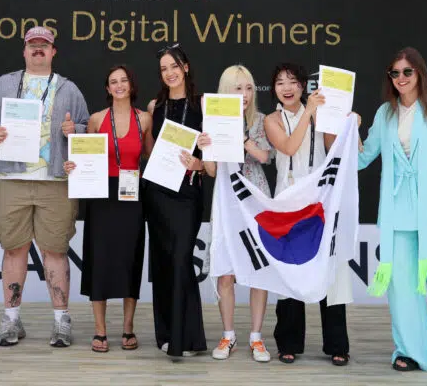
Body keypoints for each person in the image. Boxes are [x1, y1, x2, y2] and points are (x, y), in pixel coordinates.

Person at [359, 47, 427, 373]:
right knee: (401, 286)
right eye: (395, 73)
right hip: (398, 211)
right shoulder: (385, 113)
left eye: (407, 71)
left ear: (419, 73)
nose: (401, 78)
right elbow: (364, 157)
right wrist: (341, 132)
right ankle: (409, 351)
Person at [0, 26, 89, 348]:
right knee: (14, 249)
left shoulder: (69, 88)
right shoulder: (3, 84)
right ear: (24, 50)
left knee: (55, 250)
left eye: (44, 45)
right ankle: (11, 320)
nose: (38, 49)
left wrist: (75, 130)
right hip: (10, 179)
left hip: (55, 180)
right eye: (33, 44)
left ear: (53, 51)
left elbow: (86, 129)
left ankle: (61, 322)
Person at [263, 63, 350, 366]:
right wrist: (309, 112)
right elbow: (288, 147)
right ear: (274, 89)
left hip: (320, 201)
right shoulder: (272, 120)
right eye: (280, 83)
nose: (287, 88)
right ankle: (288, 342)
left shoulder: (320, 113)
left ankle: (337, 344)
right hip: (286, 204)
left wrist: (345, 121)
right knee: (290, 272)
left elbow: (333, 146)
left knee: (329, 270)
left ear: (303, 86)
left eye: (292, 82)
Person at [63, 65, 153, 353]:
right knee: (99, 260)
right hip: (101, 196)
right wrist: (73, 165)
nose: (119, 85)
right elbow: (85, 157)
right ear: (107, 88)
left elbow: (151, 155)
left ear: (131, 85)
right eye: (113, 81)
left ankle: (128, 328)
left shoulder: (145, 118)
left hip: (132, 195)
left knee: (130, 260)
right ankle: (100, 330)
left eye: (124, 80)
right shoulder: (96, 119)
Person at [198, 65, 274, 362]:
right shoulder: (212, 120)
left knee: (259, 271)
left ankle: (256, 337)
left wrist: (240, 136)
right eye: (237, 88)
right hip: (226, 200)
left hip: (255, 201)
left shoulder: (260, 121)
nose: (244, 94)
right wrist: (205, 147)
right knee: (225, 271)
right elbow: (211, 170)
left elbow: (264, 156)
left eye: (249, 88)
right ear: (225, 91)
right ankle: (228, 335)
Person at [143, 43, 207, 358]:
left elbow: (214, 153)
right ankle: (167, 335)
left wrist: (199, 163)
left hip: (188, 193)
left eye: (174, 66)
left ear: (186, 67)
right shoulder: (155, 106)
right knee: (163, 263)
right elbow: (149, 150)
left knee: (182, 260)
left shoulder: (203, 104)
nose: (169, 73)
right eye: (163, 69)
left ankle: (188, 338)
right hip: (157, 193)